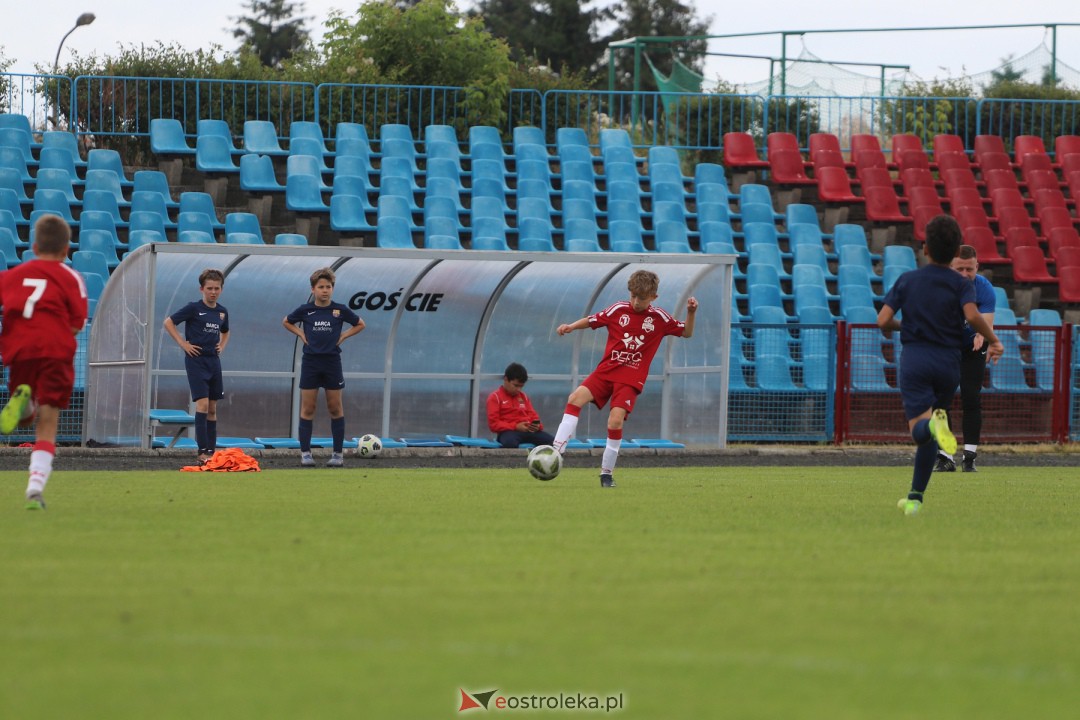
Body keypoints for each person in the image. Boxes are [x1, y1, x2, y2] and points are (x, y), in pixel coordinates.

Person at [877, 216, 1003, 516]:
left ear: (925, 249)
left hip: (917, 359)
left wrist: (904, 327)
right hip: (949, 363)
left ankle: (933, 426)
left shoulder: (908, 280)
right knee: (938, 423)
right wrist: (994, 341)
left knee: (922, 430)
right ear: (953, 253)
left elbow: (882, 321)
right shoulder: (962, 284)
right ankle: (915, 497)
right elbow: (973, 317)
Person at [551, 269, 697, 487]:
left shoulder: (660, 318)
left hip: (630, 378)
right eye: (633, 296)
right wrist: (571, 326)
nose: (636, 302)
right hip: (606, 372)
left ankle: (606, 474)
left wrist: (691, 312)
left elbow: (686, 332)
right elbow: (592, 320)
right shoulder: (619, 309)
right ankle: (556, 452)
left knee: (615, 420)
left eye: (642, 298)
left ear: (653, 298)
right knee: (575, 398)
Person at [0, 215, 88, 510]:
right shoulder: (71, 277)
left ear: (34, 246)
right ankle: (34, 489)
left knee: (24, 417)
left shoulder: (11, 276)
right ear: (66, 250)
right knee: (47, 423)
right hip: (55, 350)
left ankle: (23, 402)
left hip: (20, 350)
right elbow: (77, 323)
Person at [283, 267, 364, 467]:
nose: (325, 290)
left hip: (332, 363)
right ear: (313, 289)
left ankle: (337, 454)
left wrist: (343, 336)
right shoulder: (305, 310)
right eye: (321, 287)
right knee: (308, 408)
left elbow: (360, 323)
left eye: (328, 286)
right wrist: (301, 335)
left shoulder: (339, 310)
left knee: (335, 407)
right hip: (311, 363)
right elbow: (287, 322)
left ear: (332, 289)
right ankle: (305, 454)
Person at [935, 244, 995, 473]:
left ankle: (969, 456)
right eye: (959, 269)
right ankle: (945, 457)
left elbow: (987, 321)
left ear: (976, 266)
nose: (964, 274)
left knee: (971, 397)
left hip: (974, 347)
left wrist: (981, 333)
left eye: (969, 269)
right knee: (940, 402)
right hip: (946, 347)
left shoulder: (985, 288)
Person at [163, 268, 230, 464]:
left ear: (221, 290)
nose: (213, 292)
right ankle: (202, 451)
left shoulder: (222, 312)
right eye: (209, 288)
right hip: (196, 361)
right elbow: (168, 322)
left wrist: (222, 345)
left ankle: (211, 450)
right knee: (202, 404)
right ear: (202, 289)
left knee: (212, 407)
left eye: (217, 288)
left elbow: (226, 332)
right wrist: (183, 344)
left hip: (213, 361)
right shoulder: (193, 308)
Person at [486, 362, 554, 448]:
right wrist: (515, 426)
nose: (518, 389)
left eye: (521, 386)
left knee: (553, 442)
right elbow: (494, 424)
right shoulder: (495, 397)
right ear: (506, 379)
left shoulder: (524, 397)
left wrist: (537, 426)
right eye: (516, 385)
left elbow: (533, 415)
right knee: (510, 443)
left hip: (528, 431)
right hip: (508, 432)